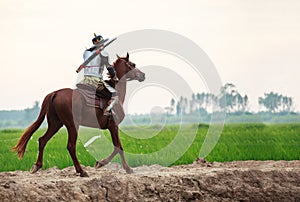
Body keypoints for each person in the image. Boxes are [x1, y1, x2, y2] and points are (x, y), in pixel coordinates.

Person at [78, 33, 118, 116]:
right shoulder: (104, 53)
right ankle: (106, 110)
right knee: (114, 95)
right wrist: (114, 77)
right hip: (96, 81)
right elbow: (109, 67)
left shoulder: (86, 52)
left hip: (85, 80)